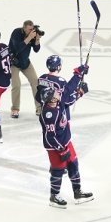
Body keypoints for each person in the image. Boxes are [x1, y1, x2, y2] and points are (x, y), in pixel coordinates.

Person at [37, 55, 92, 208]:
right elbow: (49, 137)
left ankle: (78, 191)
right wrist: (61, 150)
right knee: (58, 170)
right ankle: (54, 197)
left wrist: (79, 89)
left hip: (65, 140)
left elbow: (67, 96)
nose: (57, 94)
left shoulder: (57, 102)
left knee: (73, 163)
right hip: (56, 146)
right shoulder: (49, 115)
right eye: (55, 94)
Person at [8, 20, 42, 118]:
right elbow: (18, 48)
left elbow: (36, 50)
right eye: (29, 30)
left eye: (32, 29)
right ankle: (15, 109)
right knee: (16, 85)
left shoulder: (32, 35)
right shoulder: (16, 33)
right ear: (24, 28)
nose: (31, 31)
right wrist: (29, 37)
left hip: (25, 63)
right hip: (14, 63)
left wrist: (37, 39)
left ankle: (39, 108)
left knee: (35, 82)